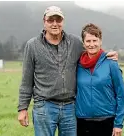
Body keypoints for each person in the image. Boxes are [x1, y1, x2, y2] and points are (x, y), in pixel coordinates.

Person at [17, 6, 118, 136]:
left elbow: (92, 50)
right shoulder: (33, 45)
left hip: (70, 107)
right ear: (44, 21)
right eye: (50, 20)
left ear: (63, 21)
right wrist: (22, 108)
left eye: (58, 20)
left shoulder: (75, 42)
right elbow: (26, 80)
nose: (55, 24)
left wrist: (107, 55)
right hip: (44, 106)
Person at [75, 23, 124, 136]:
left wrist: (118, 124)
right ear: (83, 43)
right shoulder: (76, 65)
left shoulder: (111, 63)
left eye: (95, 40)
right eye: (88, 41)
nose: (92, 44)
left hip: (107, 121)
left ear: (100, 41)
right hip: (82, 122)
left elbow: (121, 94)